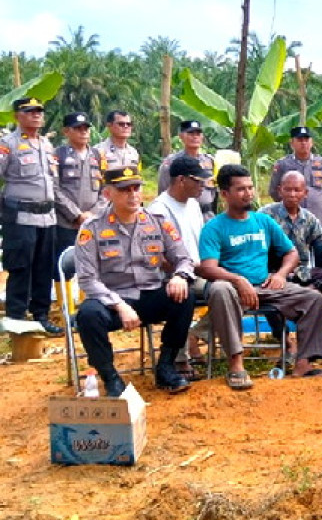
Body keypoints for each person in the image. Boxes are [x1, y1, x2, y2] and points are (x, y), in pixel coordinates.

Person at [197, 164, 322, 389]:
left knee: (314, 299)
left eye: (250, 188)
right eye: (240, 189)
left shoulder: (263, 221)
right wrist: (237, 280)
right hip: (233, 290)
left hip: (267, 286)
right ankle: (236, 364)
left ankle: (303, 364)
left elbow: (291, 253)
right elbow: (207, 267)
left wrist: (280, 275)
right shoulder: (214, 227)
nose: (248, 193)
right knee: (219, 289)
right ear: (225, 194)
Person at [74, 167, 195, 395]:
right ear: (108, 194)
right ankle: (110, 378)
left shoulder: (158, 221)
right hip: (111, 300)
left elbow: (184, 258)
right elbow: (88, 279)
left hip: (149, 294)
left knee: (184, 296)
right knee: (88, 315)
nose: (133, 195)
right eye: (124, 190)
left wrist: (179, 275)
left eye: (136, 188)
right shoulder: (92, 228)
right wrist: (119, 305)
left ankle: (166, 366)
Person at [0, 97, 62, 335]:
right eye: (30, 111)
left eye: (39, 111)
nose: (36, 115)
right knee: (21, 266)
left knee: (43, 267)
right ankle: (16, 317)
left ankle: (41, 315)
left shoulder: (46, 144)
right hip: (20, 216)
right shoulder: (9, 144)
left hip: (47, 216)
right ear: (17, 116)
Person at [148, 155, 211, 379]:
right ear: (181, 180)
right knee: (192, 294)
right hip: (171, 276)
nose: (203, 186)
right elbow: (159, 256)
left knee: (236, 288)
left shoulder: (194, 205)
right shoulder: (159, 209)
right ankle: (179, 358)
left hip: (198, 270)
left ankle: (196, 334)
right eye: (198, 181)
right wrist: (182, 273)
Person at [260, 171, 322, 297]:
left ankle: (309, 292)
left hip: (303, 274)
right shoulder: (265, 215)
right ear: (280, 191)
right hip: (275, 274)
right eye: (287, 190)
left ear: (305, 193)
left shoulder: (309, 218)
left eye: (297, 190)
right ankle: (308, 294)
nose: (292, 194)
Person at [52, 112, 105, 269]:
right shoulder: (57, 155)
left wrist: (93, 213)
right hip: (66, 223)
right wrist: (76, 215)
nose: (83, 132)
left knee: (93, 266)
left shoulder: (98, 155)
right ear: (66, 131)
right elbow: (54, 188)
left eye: (86, 129)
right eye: (78, 129)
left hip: (93, 222)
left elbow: (106, 189)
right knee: (63, 267)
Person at [267, 126, 322, 226]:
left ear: (311, 142)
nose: (304, 143)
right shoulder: (282, 164)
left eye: (306, 140)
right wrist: (288, 203)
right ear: (292, 143)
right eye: (300, 140)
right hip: (291, 220)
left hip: (319, 218)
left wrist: (319, 201)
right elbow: (274, 190)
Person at [158, 121, 218, 219]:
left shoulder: (210, 161)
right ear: (181, 136)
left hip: (207, 215)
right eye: (191, 133)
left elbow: (215, 191)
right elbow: (163, 191)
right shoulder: (171, 162)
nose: (195, 137)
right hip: (182, 213)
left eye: (198, 134)